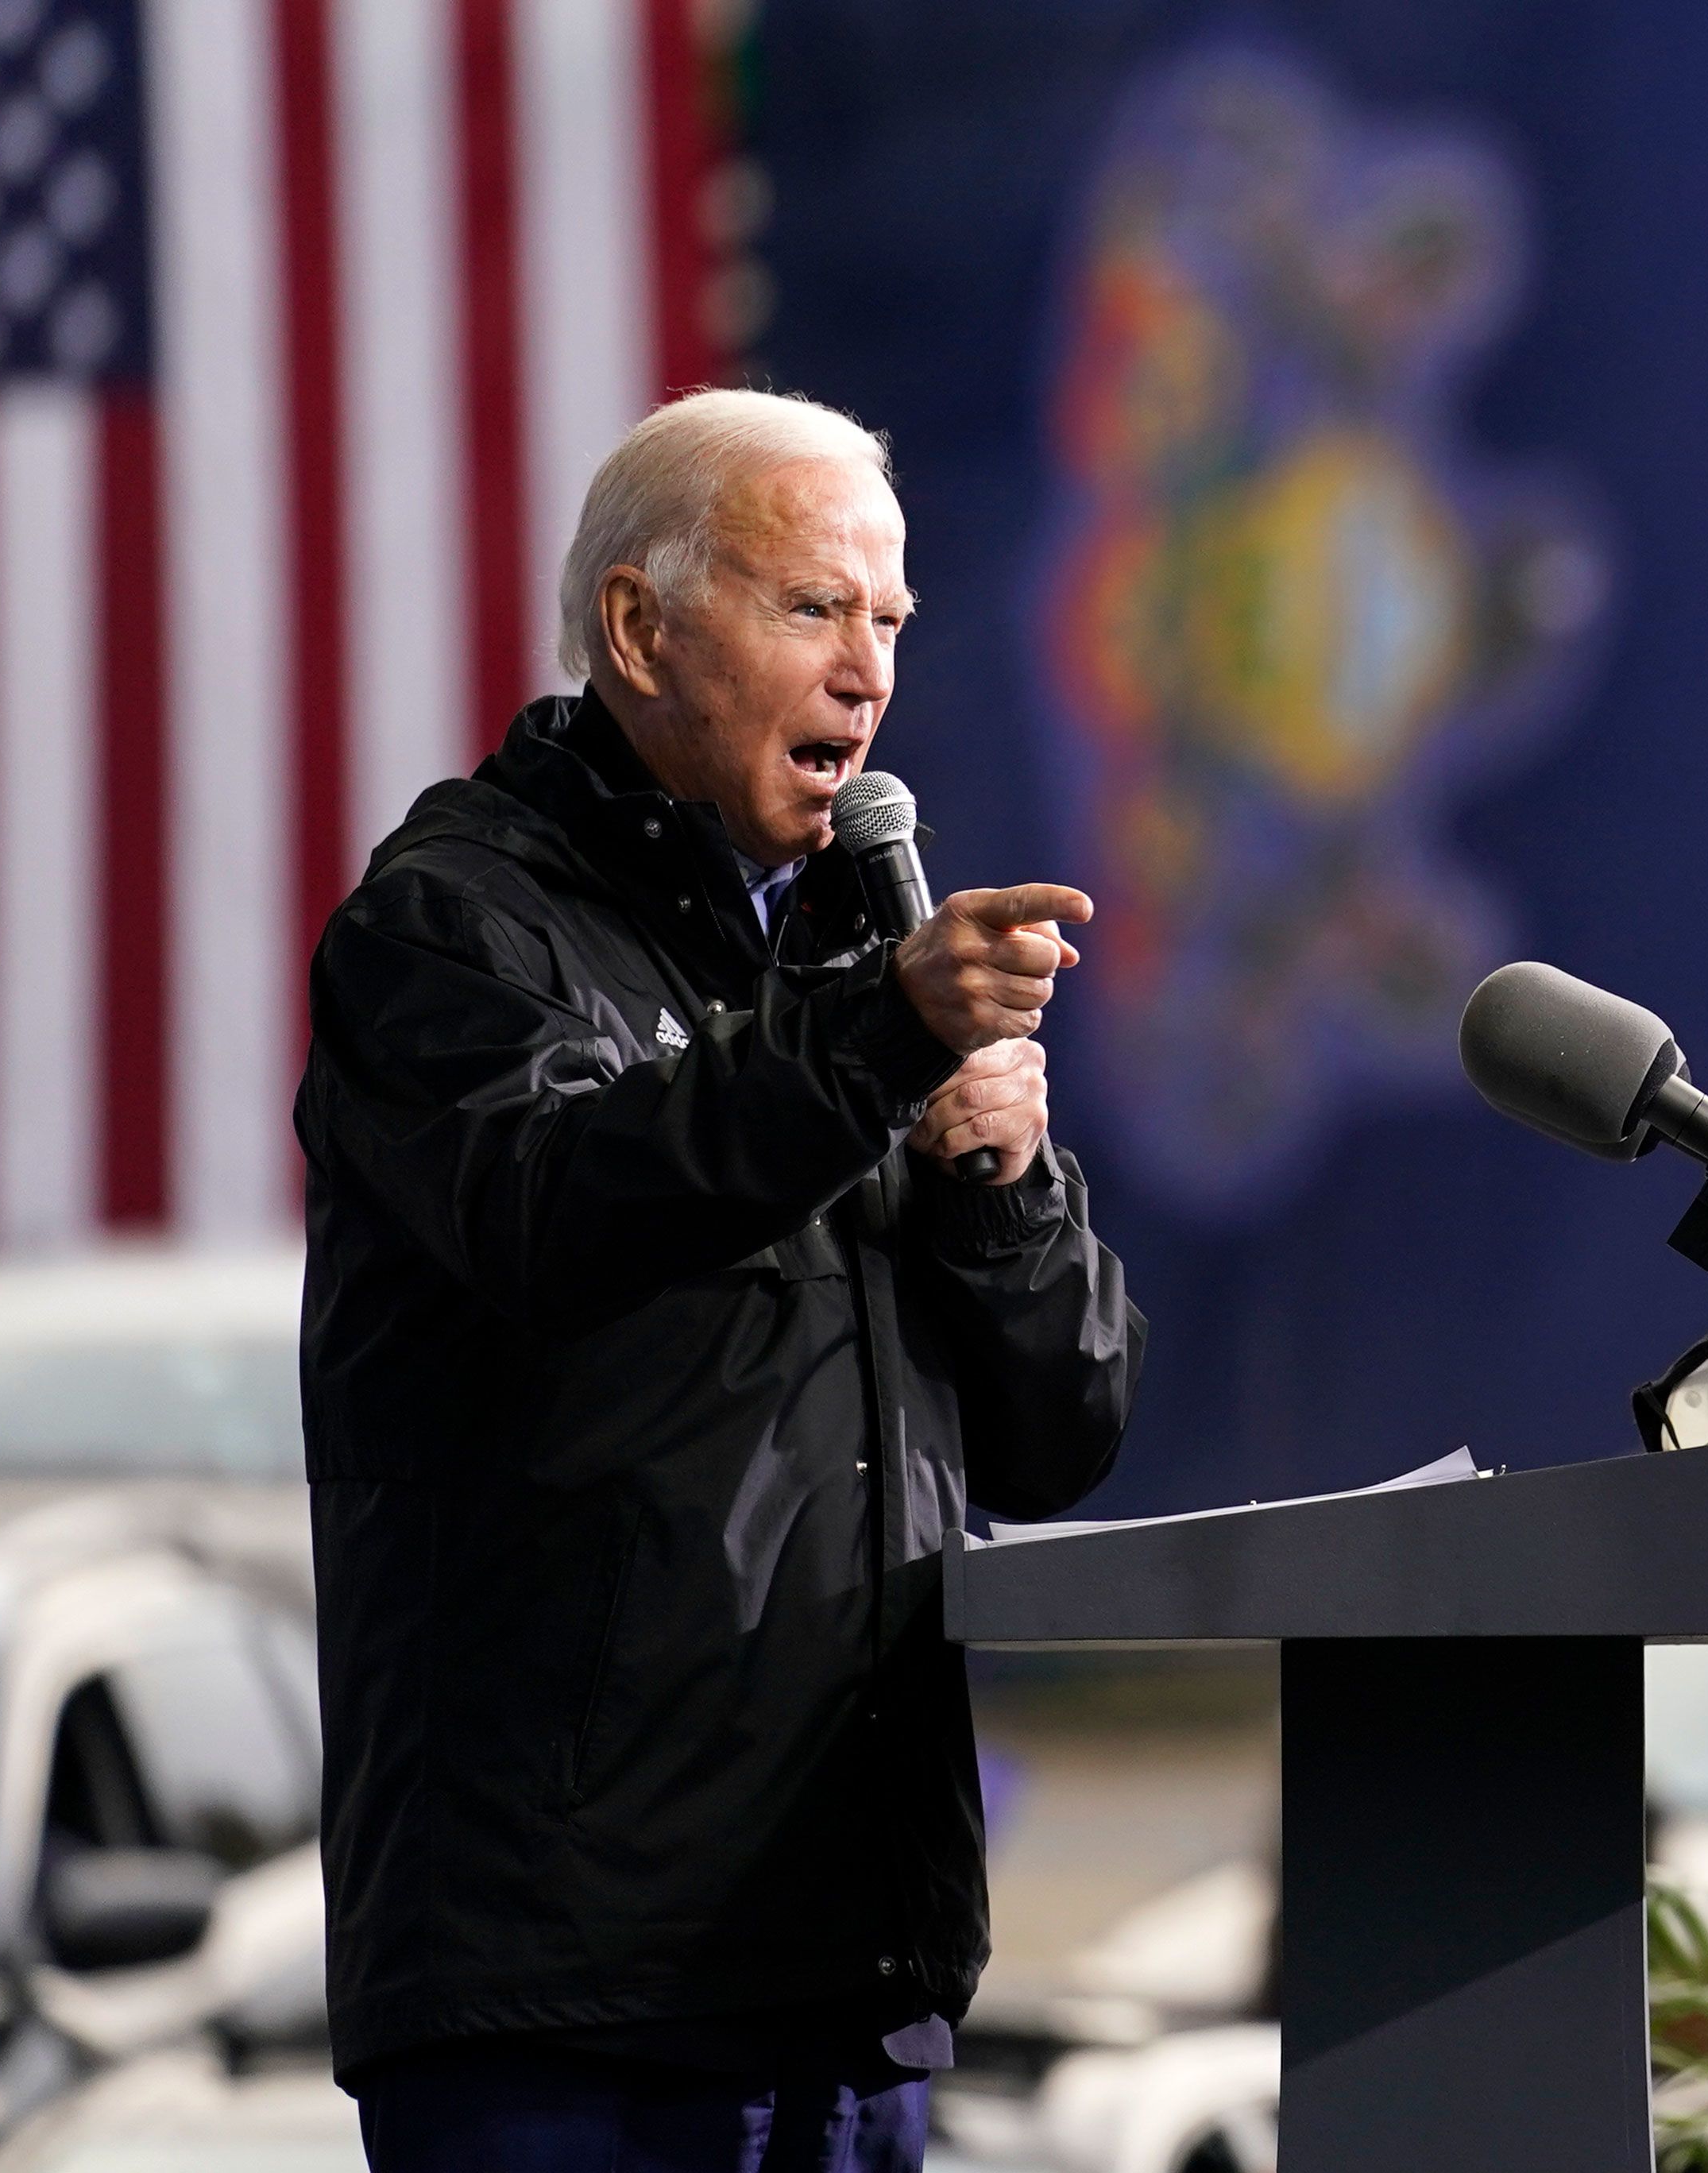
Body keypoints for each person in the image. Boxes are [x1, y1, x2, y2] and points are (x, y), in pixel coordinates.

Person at [296, 389, 1146, 2173]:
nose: (867, 673)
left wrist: (993, 1181)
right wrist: (876, 1040)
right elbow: (562, 1202)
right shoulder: (453, 927)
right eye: (812, 608)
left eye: (891, 623)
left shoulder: (858, 958)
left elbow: (1062, 1433)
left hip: (851, 1973)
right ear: (638, 626)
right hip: (562, 1996)